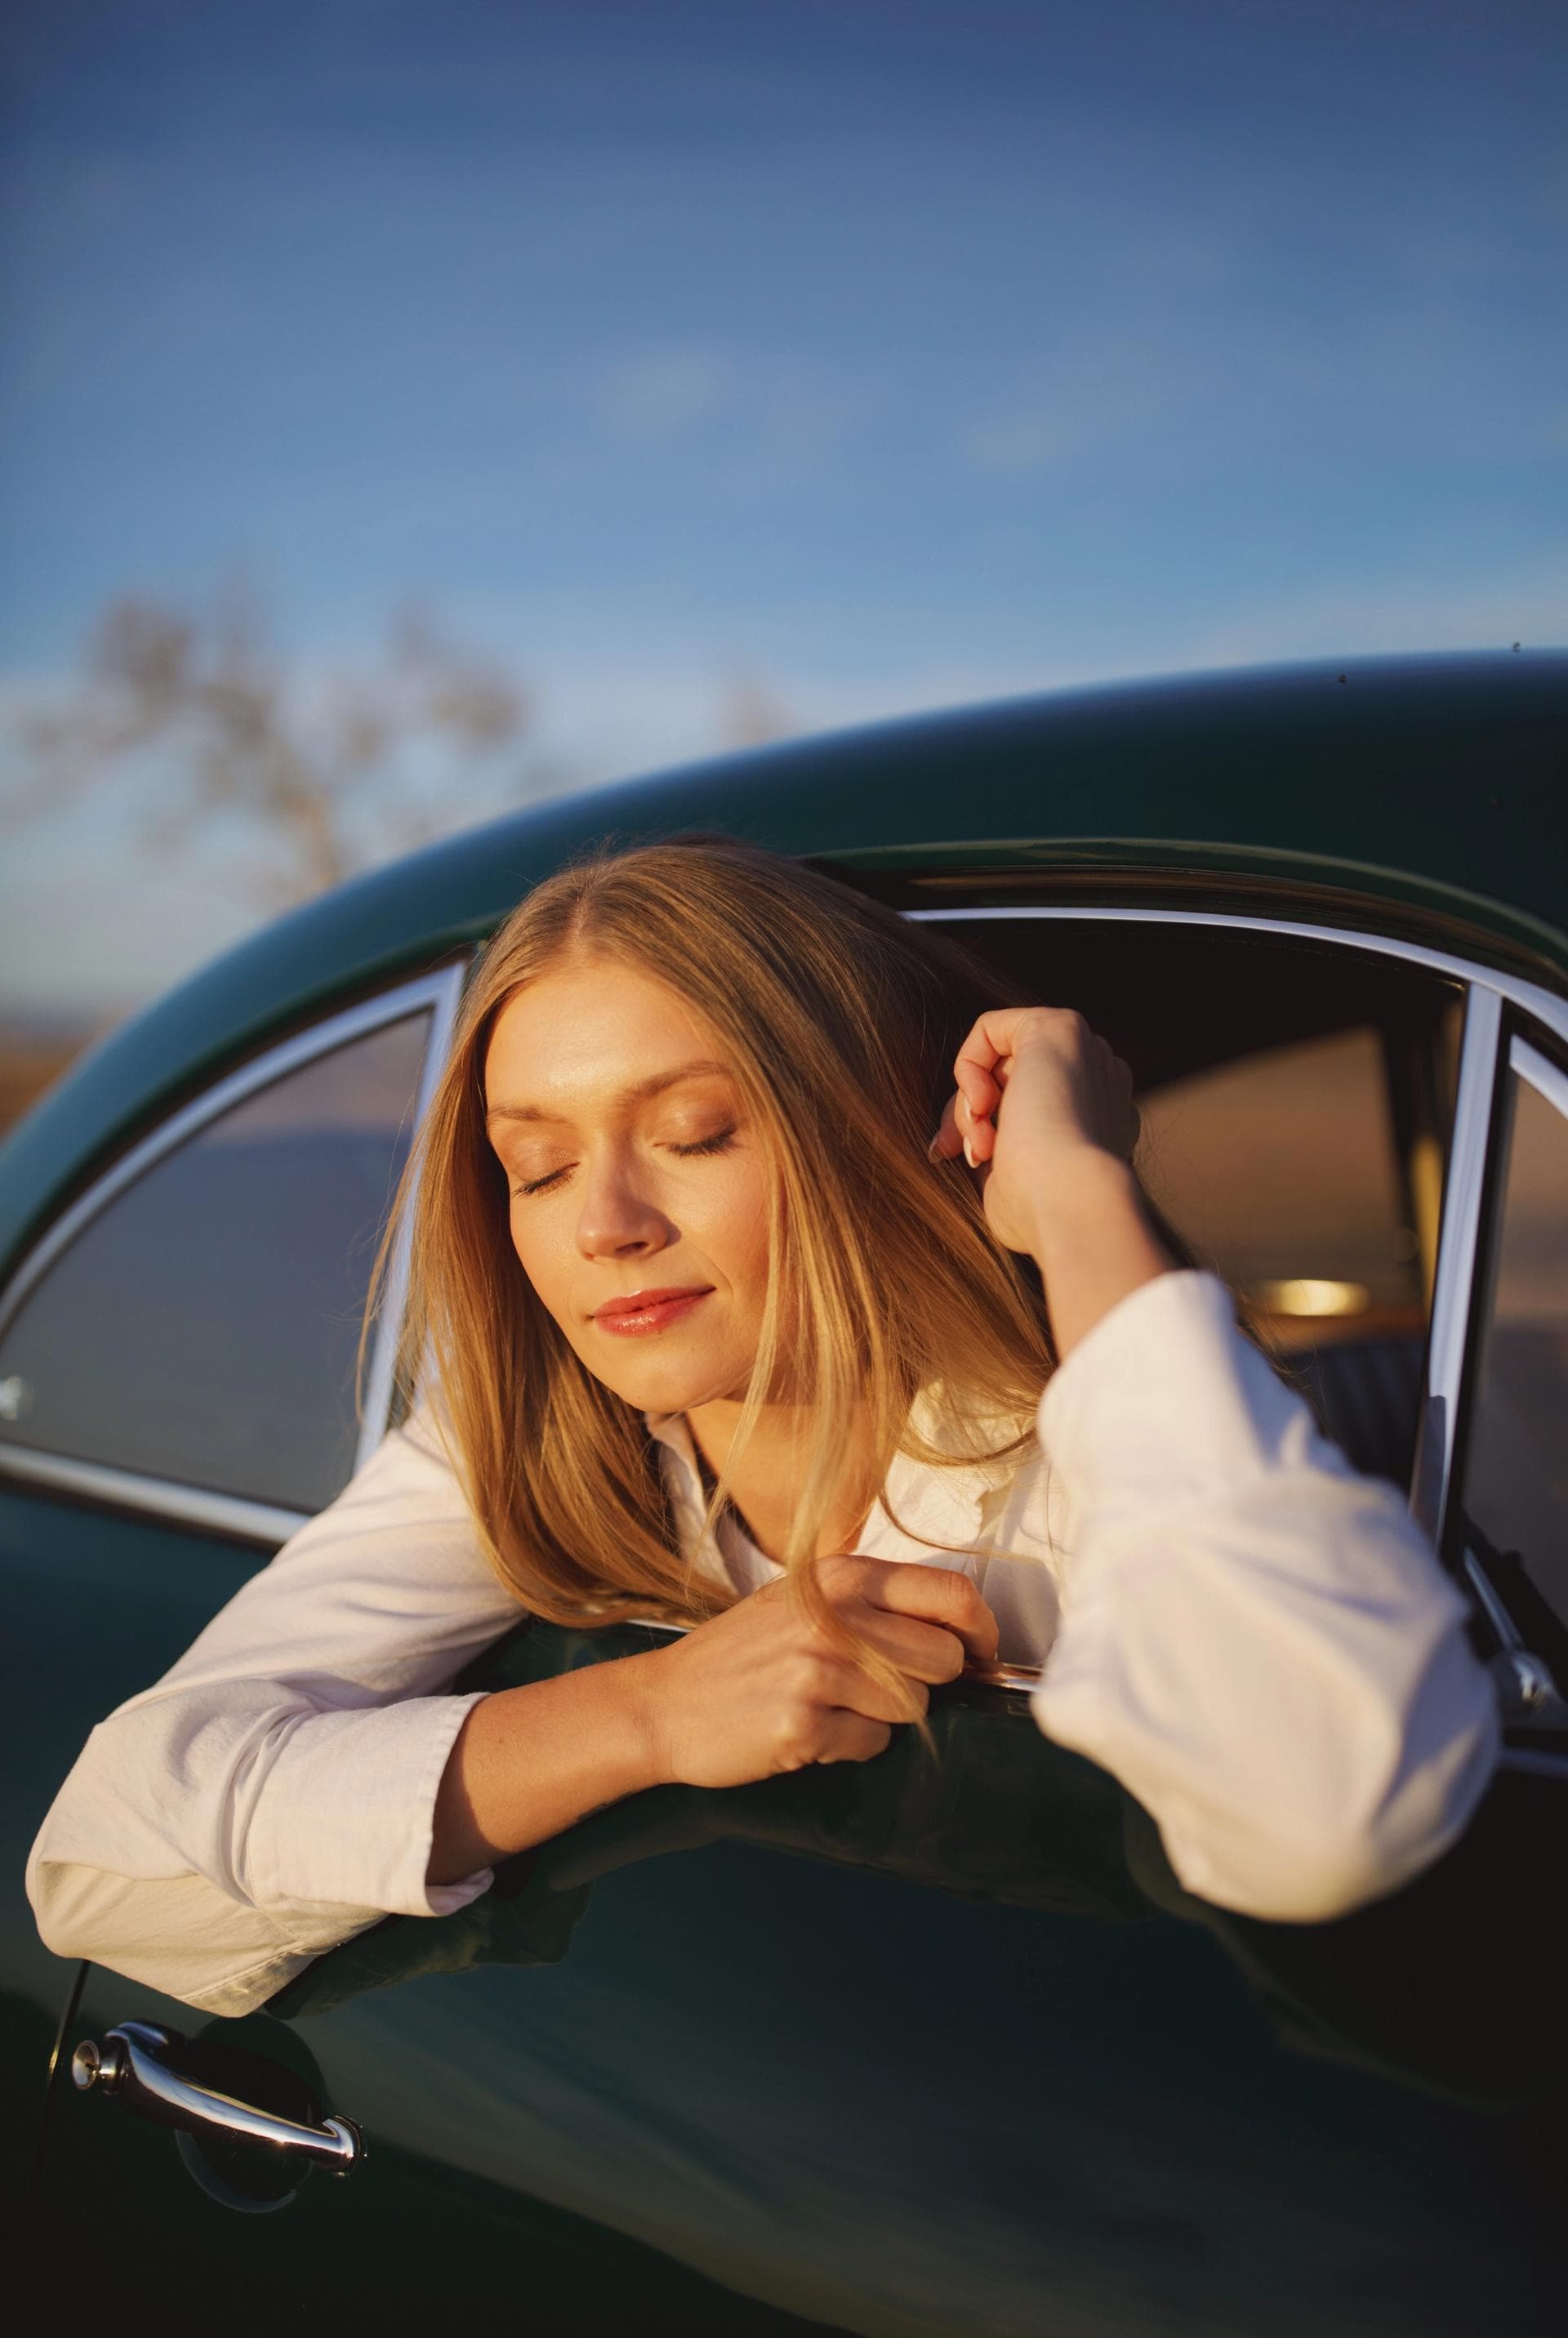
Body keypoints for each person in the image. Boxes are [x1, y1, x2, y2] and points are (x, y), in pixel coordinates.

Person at [27, 840, 1499, 2019]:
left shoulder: (1094, 1450)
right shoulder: (528, 1434)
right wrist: (647, 1714)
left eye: (695, 1136)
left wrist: (1080, 1197)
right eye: (535, 1166)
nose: (604, 1225)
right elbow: (99, 1866)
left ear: (874, 1133)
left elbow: (1328, 1803)